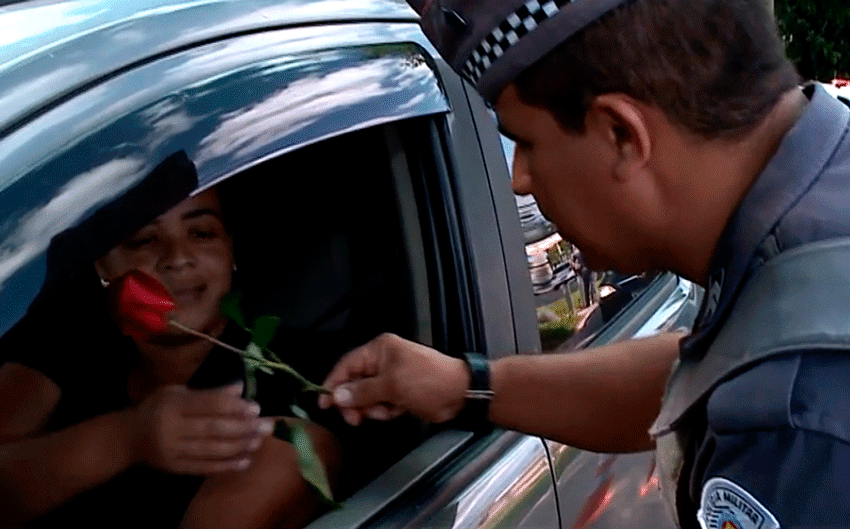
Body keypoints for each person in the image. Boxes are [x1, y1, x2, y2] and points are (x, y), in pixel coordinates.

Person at [317, 0, 850, 527]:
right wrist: (465, 384)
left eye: (523, 141)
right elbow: (707, 369)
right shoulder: (822, 193)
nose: (517, 178)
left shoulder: (791, 426)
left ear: (620, 133)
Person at [0, 187, 342, 528]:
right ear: (102, 263)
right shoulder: (65, 351)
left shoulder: (310, 373)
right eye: (145, 240)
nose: (178, 257)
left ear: (230, 248)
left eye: (201, 233)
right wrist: (130, 436)